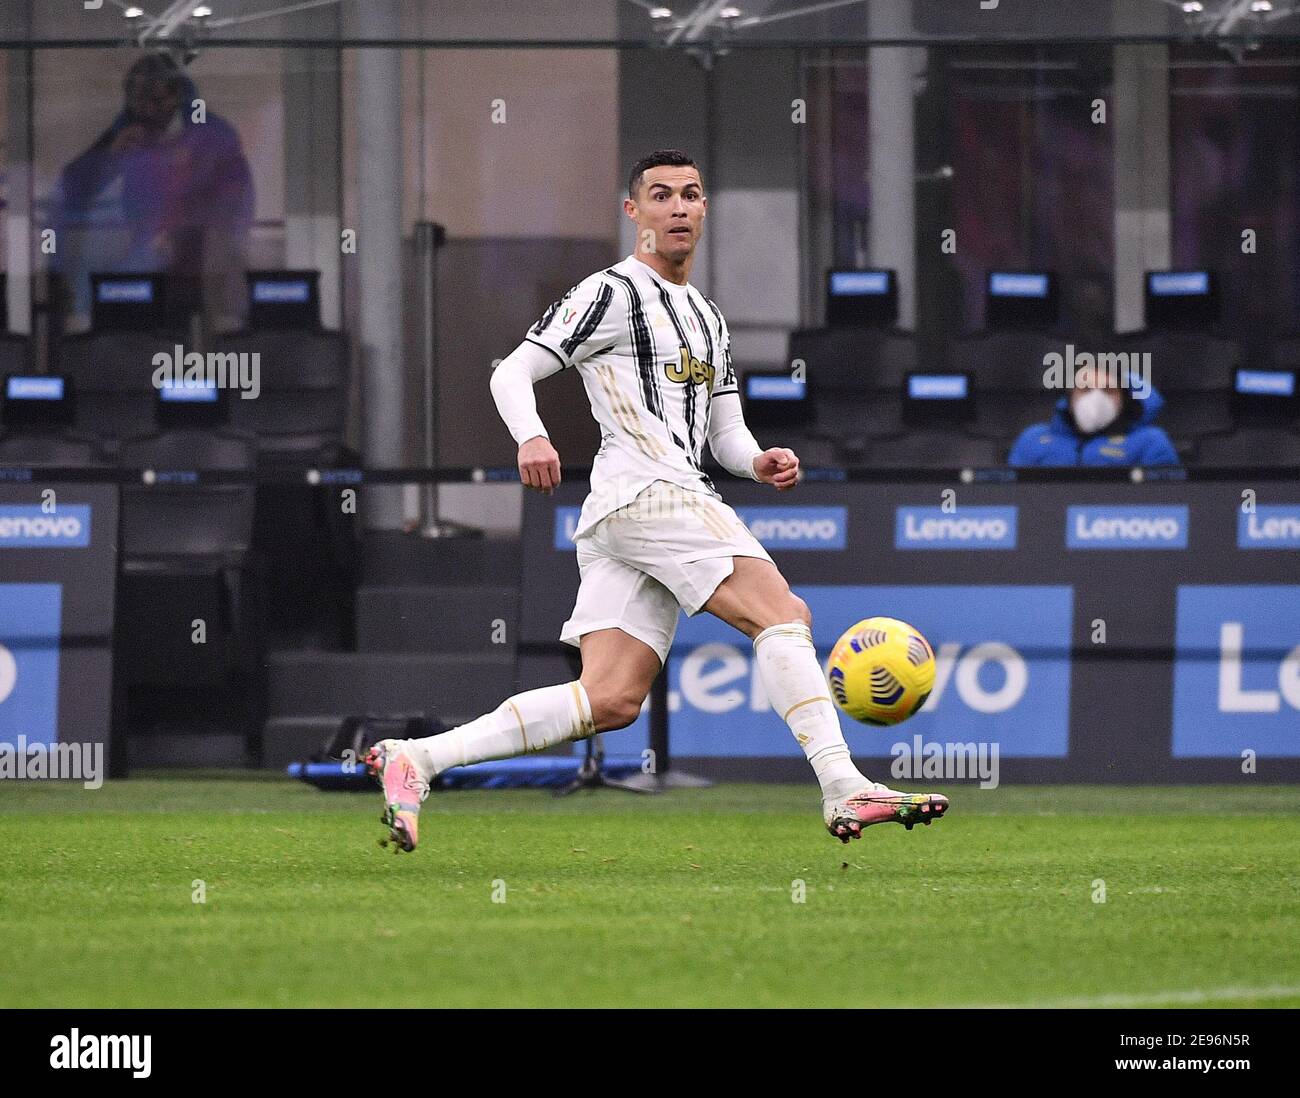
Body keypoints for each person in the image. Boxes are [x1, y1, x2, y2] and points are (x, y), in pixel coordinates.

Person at [364, 149, 949, 853]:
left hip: (633, 509)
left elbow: (725, 435)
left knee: (610, 699)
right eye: (662, 195)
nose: (678, 207)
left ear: (704, 210)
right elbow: (513, 372)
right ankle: (841, 784)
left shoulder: (708, 316)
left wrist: (760, 463)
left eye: (691, 194)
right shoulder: (611, 292)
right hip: (650, 493)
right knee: (782, 613)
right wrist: (533, 437)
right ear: (633, 211)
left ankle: (417, 758)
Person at [55, 52, 254, 331]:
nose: (148, 110)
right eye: (138, 100)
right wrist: (110, 155)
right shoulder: (124, 132)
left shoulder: (213, 136)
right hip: (142, 259)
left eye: (157, 100)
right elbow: (74, 186)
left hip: (203, 262)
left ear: (178, 96)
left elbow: (235, 204)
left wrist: (194, 234)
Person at [1008, 375, 1180, 467]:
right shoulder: (1033, 438)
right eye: (1086, 389)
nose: (1096, 398)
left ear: (1124, 401)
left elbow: (1166, 501)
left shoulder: (1150, 441)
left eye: (1108, 390)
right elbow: (1013, 498)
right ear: (1069, 399)